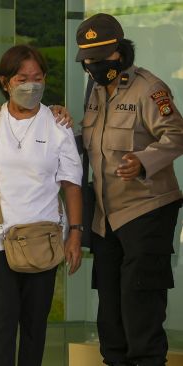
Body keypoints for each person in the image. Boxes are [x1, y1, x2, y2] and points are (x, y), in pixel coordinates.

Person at [0, 45, 83, 366]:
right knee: (0, 324)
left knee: (34, 324)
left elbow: (71, 183)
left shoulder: (58, 125)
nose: (31, 84)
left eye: (37, 77)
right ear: (5, 81)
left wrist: (75, 234)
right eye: (22, 78)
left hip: (41, 237)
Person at [76, 14, 183, 366]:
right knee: (109, 303)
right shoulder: (94, 91)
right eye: (88, 60)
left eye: (101, 58)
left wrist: (143, 160)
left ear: (120, 53)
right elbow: (92, 139)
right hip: (106, 216)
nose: (94, 66)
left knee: (140, 301)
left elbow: (177, 134)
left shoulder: (149, 89)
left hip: (146, 209)